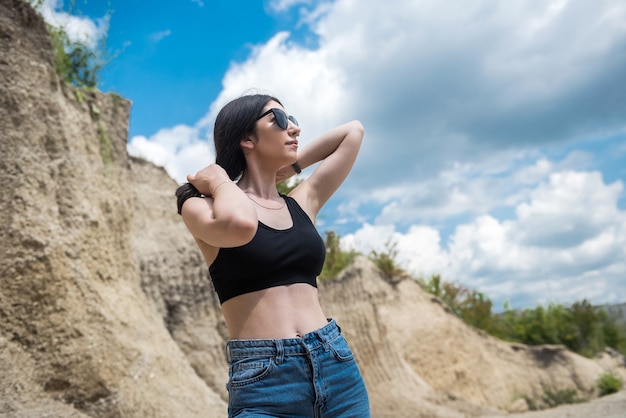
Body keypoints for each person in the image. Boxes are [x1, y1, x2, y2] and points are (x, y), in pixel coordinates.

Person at [175, 93, 370, 417]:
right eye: (278, 120)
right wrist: (222, 179)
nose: (293, 128)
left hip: (335, 364)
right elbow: (240, 224)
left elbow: (354, 131)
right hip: (265, 380)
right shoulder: (200, 205)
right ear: (246, 139)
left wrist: (292, 168)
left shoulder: (301, 202)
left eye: (291, 118)